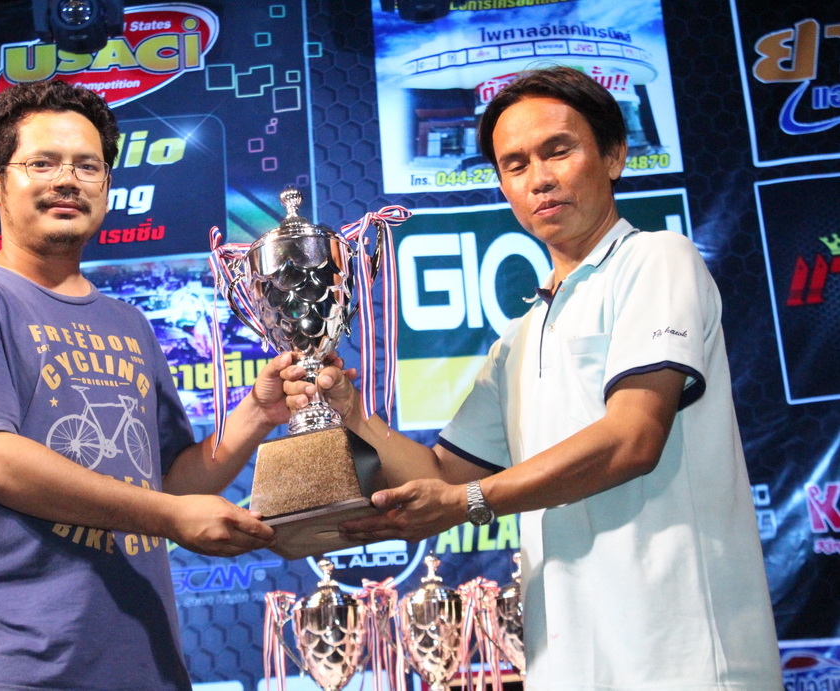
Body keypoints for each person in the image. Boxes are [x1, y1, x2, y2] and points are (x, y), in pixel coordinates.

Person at [285, 66, 782, 688]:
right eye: (515, 164)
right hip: (570, 662)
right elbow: (441, 476)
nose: (539, 178)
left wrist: (471, 502)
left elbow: (633, 439)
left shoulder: (656, 259)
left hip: (684, 657)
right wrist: (354, 416)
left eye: (558, 151)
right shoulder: (518, 340)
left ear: (614, 155)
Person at [0, 80, 290, 690]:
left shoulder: (128, 322)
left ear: (106, 186)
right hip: (15, 665)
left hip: (144, 662)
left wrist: (256, 414)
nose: (68, 180)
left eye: (87, 166)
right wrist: (171, 516)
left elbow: (167, 482)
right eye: (42, 163)